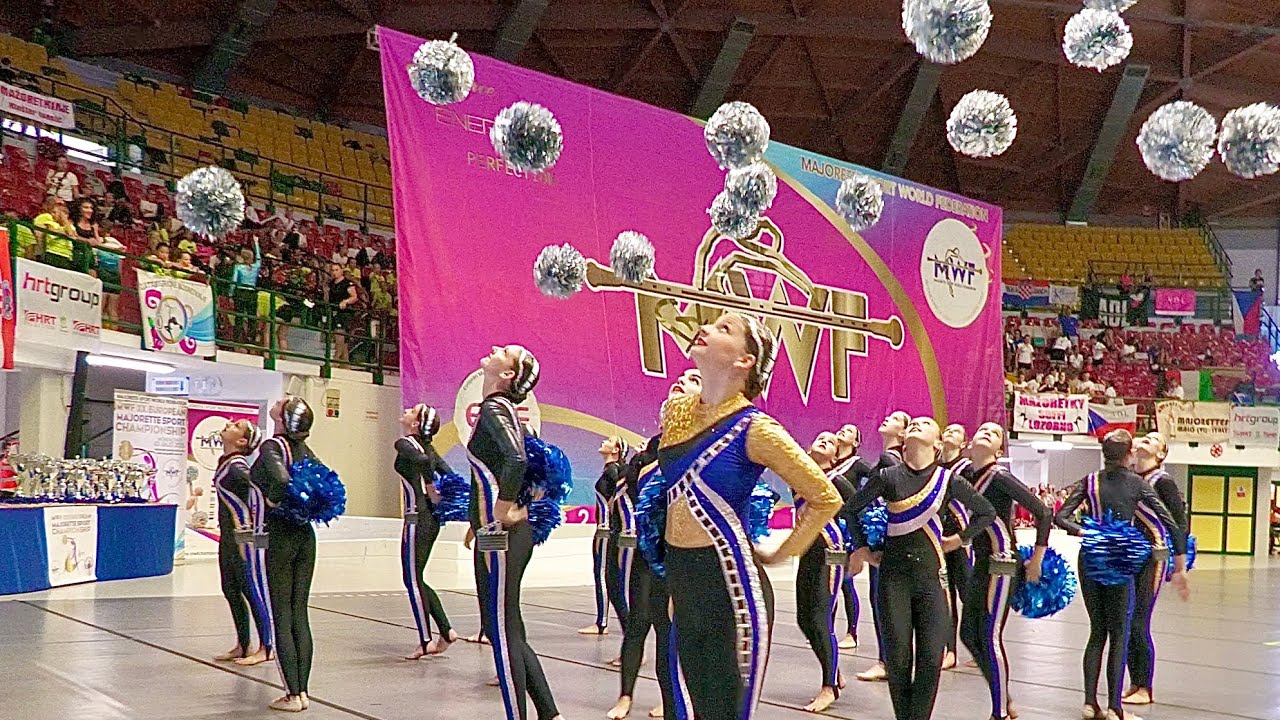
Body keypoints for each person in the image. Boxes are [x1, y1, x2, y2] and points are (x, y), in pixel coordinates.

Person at [659, 313, 841, 720]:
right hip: (684, 583)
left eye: (725, 329)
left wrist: (784, 549)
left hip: (733, 591)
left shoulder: (757, 429)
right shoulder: (676, 412)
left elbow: (824, 497)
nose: (706, 329)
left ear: (745, 361)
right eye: (708, 324)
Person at [844, 417, 997, 720]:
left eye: (926, 424)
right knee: (898, 659)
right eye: (913, 423)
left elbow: (986, 512)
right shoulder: (888, 476)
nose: (916, 424)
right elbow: (851, 508)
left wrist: (959, 539)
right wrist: (862, 548)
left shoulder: (947, 480)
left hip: (932, 581)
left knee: (930, 658)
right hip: (893, 580)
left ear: (938, 444)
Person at [1054, 429, 1190, 720]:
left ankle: (1091, 702)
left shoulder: (1091, 481)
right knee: (1120, 633)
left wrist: (1087, 531)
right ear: (1128, 456)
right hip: (1122, 558)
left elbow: (1060, 516)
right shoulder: (1138, 484)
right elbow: (1173, 522)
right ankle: (1115, 708)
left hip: (1093, 555)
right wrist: (1181, 562)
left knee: (1097, 632)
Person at [468, 345, 563, 720]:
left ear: (508, 374)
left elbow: (517, 459)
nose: (493, 349)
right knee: (507, 626)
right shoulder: (503, 410)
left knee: (502, 632)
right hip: (497, 534)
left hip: (501, 535)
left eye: (504, 352)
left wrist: (504, 505)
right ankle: (549, 712)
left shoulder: (494, 408)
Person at [610, 370, 701, 720]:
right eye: (680, 378)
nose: (682, 378)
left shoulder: (703, 444)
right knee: (637, 623)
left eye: (693, 379)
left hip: (684, 557)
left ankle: (675, 700)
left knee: (670, 632)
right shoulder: (650, 450)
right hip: (648, 553)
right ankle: (625, 695)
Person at [959, 422, 1053, 720]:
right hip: (980, 563)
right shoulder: (966, 477)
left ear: (1000, 449)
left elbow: (1043, 511)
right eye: (982, 430)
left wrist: (1037, 558)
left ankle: (999, 712)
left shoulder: (999, 477)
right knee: (967, 635)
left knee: (989, 636)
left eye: (994, 433)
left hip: (1001, 566)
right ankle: (1005, 699)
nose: (985, 432)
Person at [252, 396, 322, 712]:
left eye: (284, 402)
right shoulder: (307, 451)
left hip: (281, 535)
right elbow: (325, 485)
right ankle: (303, 690)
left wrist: (276, 502)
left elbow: (279, 479)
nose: (279, 401)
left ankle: (292, 694)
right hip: (306, 535)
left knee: (281, 613)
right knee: (299, 613)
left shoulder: (272, 446)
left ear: (283, 418)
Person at [1123, 433, 1188, 707]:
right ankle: (1134, 681)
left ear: (1161, 454)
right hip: (1128, 555)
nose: (1144, 440)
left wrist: (1181, 567)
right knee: (1124, 622)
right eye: (1143, 437)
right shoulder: (1127, 477)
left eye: (1153, 440)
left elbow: (1180, 523)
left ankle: (1146, 687)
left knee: (1139, 622)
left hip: (1153, 557)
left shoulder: (1163, 482)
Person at [795, 432, 857, 713]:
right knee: (804, 620)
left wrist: (859, 550)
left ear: (835, 455)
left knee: (820, 620)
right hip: (808, 554)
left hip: (831, 556)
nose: (824, 440)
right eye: (819, 438)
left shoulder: (838, 480)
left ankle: (829, 686)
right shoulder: (798, 474)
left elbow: (859, 510)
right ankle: (832, 669)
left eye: (831, 442)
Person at [394, 404, 459, 659]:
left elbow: (419, 460)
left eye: (414, 410)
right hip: (429, 519)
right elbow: (452, 476)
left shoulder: (408, 443)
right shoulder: (430, 448)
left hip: (416, 518)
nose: (408, 409)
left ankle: (424, 639)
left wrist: (430, 483)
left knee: (411, 578)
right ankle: (446, 629)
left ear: (416, 424)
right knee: (417, 577)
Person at [212, 419, 273, 667]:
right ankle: (242, 644)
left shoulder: (238, 469)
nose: (229, 423)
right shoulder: (226, 463)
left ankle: (266, 647)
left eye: (236, 425)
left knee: (251, 590)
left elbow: (259, 496)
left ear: (242, 442)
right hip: (228, 536)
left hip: (243, 538)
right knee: (230, 589)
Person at [857, 409, 912, 682]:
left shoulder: (889, 458)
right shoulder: (897, 459)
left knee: (882, 601)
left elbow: (874, 497)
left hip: (885, 538)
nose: (886, 419)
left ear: (902, 433)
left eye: (894, 420)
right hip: (892, 536)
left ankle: (885, 661)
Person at [580, 435, 630, 636]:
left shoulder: (612, 471)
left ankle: (602, 622)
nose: (603, 441)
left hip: (606, 530)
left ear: (616, 450)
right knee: (601, 573)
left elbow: (619, 497)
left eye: (609, 441)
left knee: (601, 574)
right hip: (605, 529)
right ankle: (602, 620)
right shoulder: (609, 470)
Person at [832, 423, 873, 650]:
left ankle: (852, 632)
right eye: (842, 429)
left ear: (856, 443)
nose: (842, 431)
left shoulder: (857, 464)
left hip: (848, 526)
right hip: (829, 527)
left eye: (849, 431)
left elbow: (878, 480)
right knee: (829, 581)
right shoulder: (830, 464)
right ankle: (826, 629)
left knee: (846, 582)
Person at [937, 423, 972, 672]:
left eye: (955, 432)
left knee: (968, 596)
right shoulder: (934, 468)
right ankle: (950, 650)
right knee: (945, 596)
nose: (948, 432)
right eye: (946, 430)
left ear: (963, 445)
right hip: (938, 539)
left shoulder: (967, 469)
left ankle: (980, 645)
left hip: (960, 541)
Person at [233, 238, 263, 347]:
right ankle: (251, 337)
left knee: (239, 316)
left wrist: (231, 294)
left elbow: (234, 281)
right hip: (251, 293)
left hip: (240, 292)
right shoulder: (255, 267)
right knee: (252, 316)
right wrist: (256, 243)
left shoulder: (239, 267)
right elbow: (259, 258)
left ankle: (237, 337)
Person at [326, 262, 359, 363]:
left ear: (341, 271)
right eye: (333, 270)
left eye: (337, 270)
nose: (334, 272)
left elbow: (354, 297)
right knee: (340, 339)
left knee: (339, 335)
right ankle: (345, 363)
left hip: (344, 313)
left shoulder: (347, 283)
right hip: (334, 311)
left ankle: (336, 359)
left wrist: (346, 301)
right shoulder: (331, 284)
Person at [32, 197, 76, 269]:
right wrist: (65, 233)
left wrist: (65, 221)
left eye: (56, 212)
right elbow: (51, 230)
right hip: (50, 252)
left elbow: (71, 234)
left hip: (66, 255)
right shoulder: (48, 219)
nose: (53, 215)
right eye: (53, 212)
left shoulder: (69, 225)